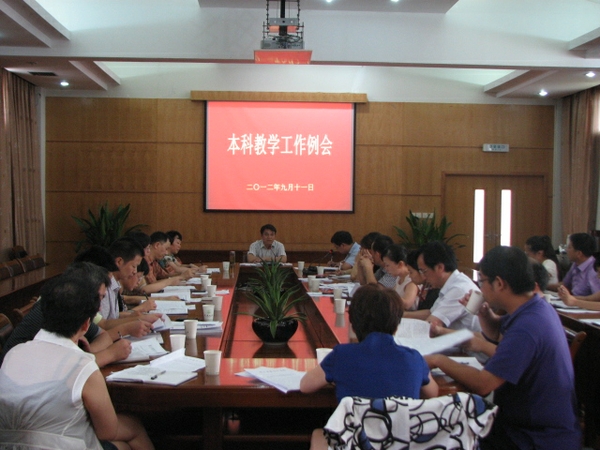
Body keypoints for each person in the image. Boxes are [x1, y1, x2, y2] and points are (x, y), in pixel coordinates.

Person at [425, 246, 581, 450]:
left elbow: (483, 384)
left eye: (481, 280)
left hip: (536, 437)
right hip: (525, 424)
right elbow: (498, 332)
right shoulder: (535, 307)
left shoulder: (528, 327)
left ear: (499, 283)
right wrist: (484, 314)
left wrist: (437, 360)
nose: (479, 287)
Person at [0, 273, 154, 449]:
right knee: (132, 428)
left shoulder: (13, 353)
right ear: (86, 325)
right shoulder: (84, 365)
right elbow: (108, 432)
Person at [300, 285, 438, 450]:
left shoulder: (342, 355)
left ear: (352, 323)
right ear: (397, 325)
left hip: (354, 443)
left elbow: (305, 386)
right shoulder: (414, 358)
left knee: (319, 434)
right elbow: (433, 392)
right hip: (399, 444)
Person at [0, 262, 133, 368]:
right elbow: (64, 369)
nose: (98, 307)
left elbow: (103, 335)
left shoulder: (76, 309)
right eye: (96, 298)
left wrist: (87, 353)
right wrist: (109, 354)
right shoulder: (53, 311)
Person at [404, 241, 481, 333]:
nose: (424, 277)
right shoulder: (452, 283)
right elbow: (432, 313)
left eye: (424, 271)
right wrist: (400, 315)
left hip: (466, 342)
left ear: (440, 267)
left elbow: (432, 325)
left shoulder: (458, 289)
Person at [381, 244, 418, 310]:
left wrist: (387, 295)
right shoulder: (399, 278)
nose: (386, 268)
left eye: (387, 265)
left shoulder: (411, 280)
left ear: (400, 264)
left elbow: (407, 304)